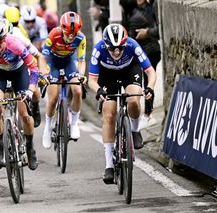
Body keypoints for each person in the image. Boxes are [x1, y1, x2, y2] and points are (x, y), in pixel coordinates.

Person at [88, 23, 156, 184]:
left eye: (120, 48)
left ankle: (134, 130)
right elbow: (91, 80)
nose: (117, 52)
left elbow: (150, 71)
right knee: (109, 114)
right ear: (106, 46)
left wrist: (150, 88)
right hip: (107, 75)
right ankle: (109, 166)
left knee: (133, 101)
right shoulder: (98, 49)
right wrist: (98, 90)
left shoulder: (132, 45)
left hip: (129, 70)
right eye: (112, 49)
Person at [0, 18, 39, 170]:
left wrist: (30, 91)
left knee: (24, 114)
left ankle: (30, 148)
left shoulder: (15, 43)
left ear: (5, 37)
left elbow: (34, 68)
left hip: (19, 72)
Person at [40, 11, 86, 149]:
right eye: (68, 34)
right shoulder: (53, 34)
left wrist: (81, 76)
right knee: (53, 98)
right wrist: (44, 74)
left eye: (75, 33)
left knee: (77, 90)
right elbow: (42, 58)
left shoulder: (81, 38)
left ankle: (74, 123)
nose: (71, 37)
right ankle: (47, 128)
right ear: (62, 29)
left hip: (69, 63)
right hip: (53, 63)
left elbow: (81, 60)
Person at [6, 6, 42, 128]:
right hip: (5, 64)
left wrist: (39, 71)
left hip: (22, 60)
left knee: (34, 89)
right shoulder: (1, 29)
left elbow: (33, 52)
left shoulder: (19, 31)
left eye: (15, 23)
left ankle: (35, 107)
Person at [128, 0, 160, 127]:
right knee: (143, 82)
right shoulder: (135, 9)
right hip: (143, 50)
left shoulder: (153, 7)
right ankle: (146, 114)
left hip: (151, 50)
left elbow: (160, 28)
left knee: (147, 82)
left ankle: (148, 114)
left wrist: (146, 33)